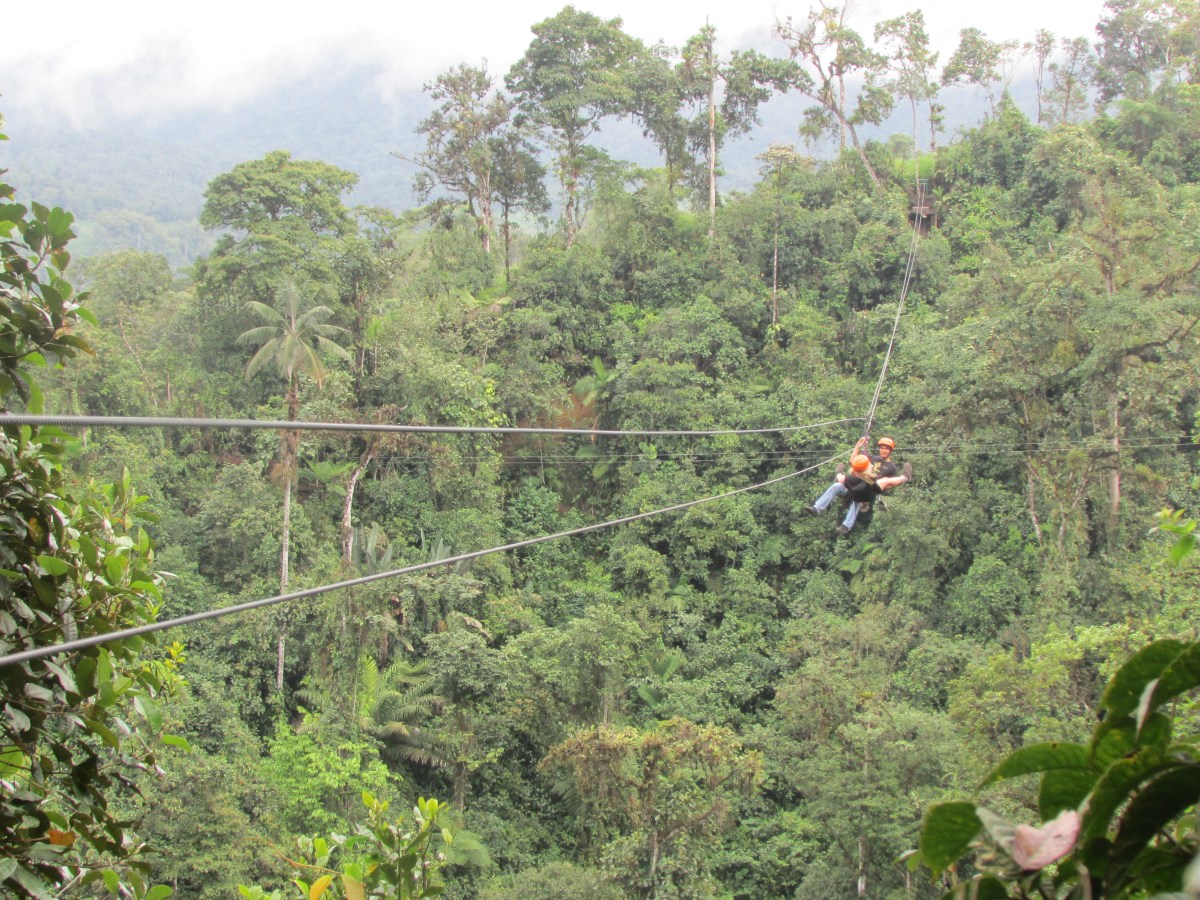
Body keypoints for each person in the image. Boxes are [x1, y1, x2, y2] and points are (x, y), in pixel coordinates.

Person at [807, 436, 912, 534]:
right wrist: (858, 446)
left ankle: (846, 526)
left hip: (870, 488)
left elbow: (890, 484)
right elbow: (854, 461)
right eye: (882, 448)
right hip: (857, 483)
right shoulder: (872, 458)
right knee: (836, 486)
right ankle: (817, 508)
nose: (883, 450)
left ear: (890, 451)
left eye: (886, 449)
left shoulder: (891, 467)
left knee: (860, 496)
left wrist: (881, 489)